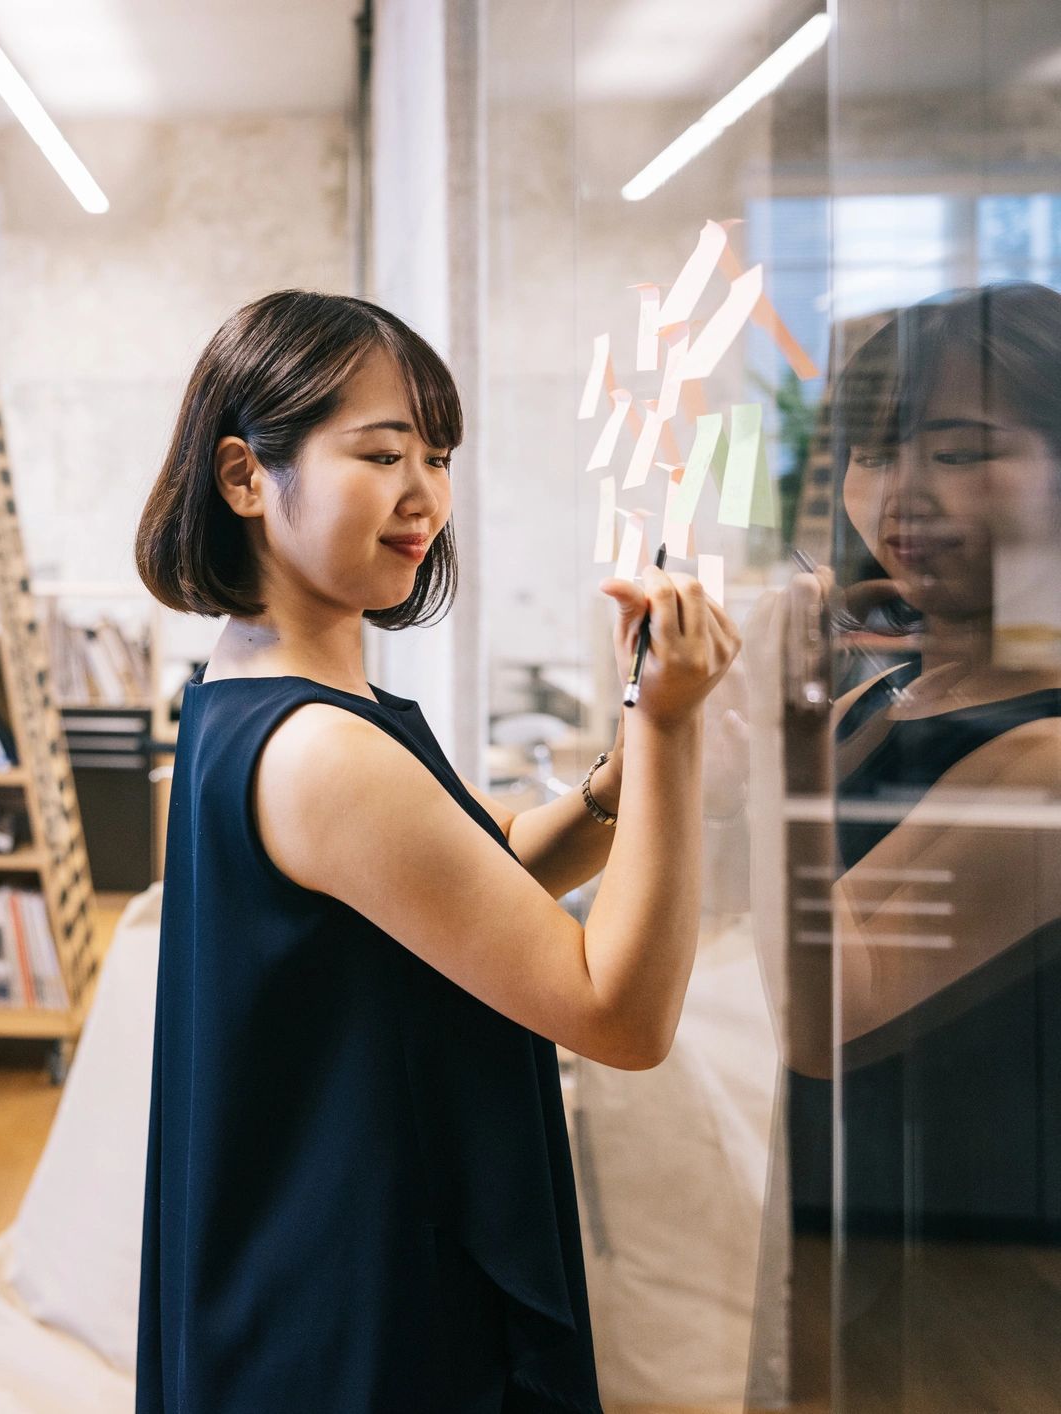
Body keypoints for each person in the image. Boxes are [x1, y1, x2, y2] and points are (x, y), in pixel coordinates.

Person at [131, 290, 738, 1410]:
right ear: (242, 477)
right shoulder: (320, 752)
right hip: (355, 1300)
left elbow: (476, 858)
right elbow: (620, 1014)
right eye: (381, 452)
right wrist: (666, 726)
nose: (425, 498)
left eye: (438, 455)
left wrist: (615, 778)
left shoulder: (253, 693)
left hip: (310, 1267)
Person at [761, 282, 1061, 1397]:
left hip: (990, 1324)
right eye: (875, 454)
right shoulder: (877, 699)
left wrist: (775, 737)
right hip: (848, 1274)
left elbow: (822, 1011)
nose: (898, 496)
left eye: (959, 451)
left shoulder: (1043, 759)